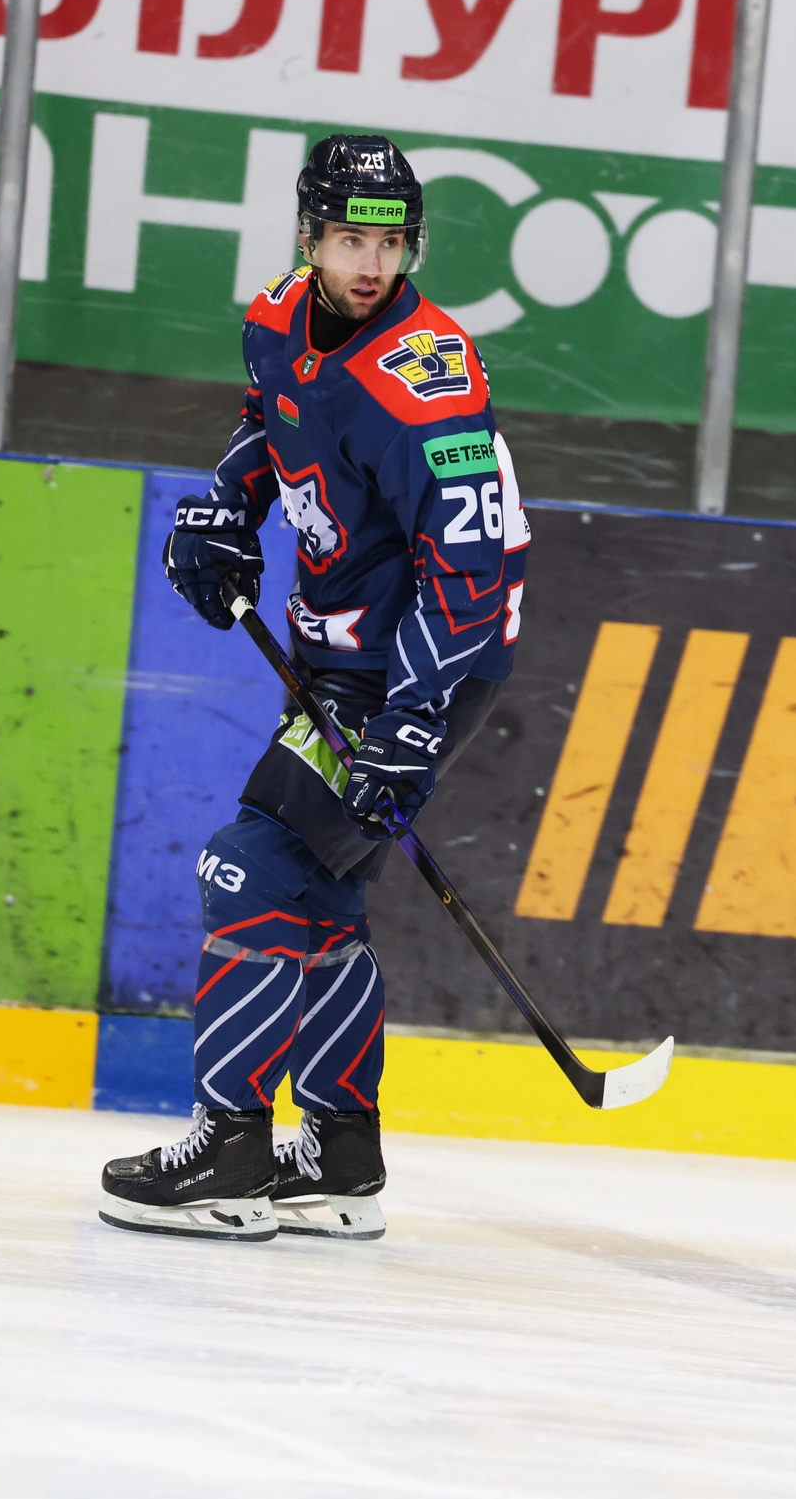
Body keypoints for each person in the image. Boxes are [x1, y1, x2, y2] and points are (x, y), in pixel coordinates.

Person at [97, 136, 528, 1243]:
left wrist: (412, 720)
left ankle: (231, 1149)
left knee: (249, 867)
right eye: (349, 239)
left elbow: (470, 569)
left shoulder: (426, 382)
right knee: (322, 901)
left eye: (391, 243)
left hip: (422, 666)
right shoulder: (279, 316)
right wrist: (225, 510)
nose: (371, 264)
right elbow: (269, 420)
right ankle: (339, 1153)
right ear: (308, 238)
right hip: (345, 659)